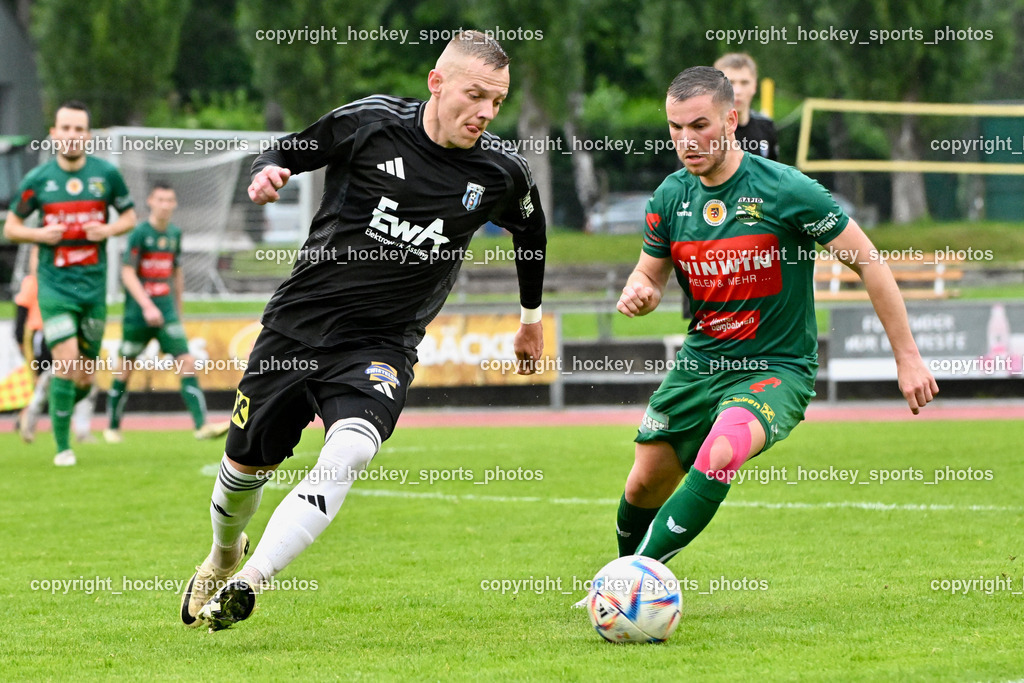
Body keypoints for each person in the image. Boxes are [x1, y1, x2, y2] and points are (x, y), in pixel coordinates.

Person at [181, 30, 546, 632]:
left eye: (497, 102)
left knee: (349, 448)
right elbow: (286, 151)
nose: (484, 112)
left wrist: (530, 321)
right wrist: (269, 171)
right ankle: (224, 557)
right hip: (297, 328)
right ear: (437, 83)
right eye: (475, 95)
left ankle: (253, 580)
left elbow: (530, 233)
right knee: (243, 468)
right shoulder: (371, 123)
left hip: (382, 345)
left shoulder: (501, 172)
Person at [603, 66, 936, 574]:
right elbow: (649, 275)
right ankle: (622, 579)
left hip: (775, 366)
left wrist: (907, 357)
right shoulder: (670, 197)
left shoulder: (786, 190)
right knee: (644, 483)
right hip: (701, 363)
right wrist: (641, 291)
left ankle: (636, 577)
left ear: (731, 120)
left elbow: (869, 262)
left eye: (699, 126)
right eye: (675, 128)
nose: (686, 141)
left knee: (721, 453)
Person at [4, 101, 136, 466]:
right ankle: (63, 448)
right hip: (55, 287)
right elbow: (11, 227)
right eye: (66, 128)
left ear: (87, 136)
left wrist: (108, 229)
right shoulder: (39, 180)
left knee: (83, 377)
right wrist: (40, 234)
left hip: (92, 289)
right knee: (65, 362)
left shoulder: (106, 176)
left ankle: (38, 409)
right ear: (54, 134)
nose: (73, 136)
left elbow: (129, 216)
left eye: (79, 130)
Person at [104, 182, 230, 443]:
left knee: (186, 360)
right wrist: (147, 305)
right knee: (125, 368)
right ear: (150, 201)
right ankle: (113, 427)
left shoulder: (174, 233)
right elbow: (127, 271)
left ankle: (201, 426)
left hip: (166, 313)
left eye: (169, 200)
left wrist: (177, 311)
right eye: (160, 199)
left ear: (174, 204)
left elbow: (176, 272)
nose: (165, 204)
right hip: (137, 315)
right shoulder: (139, 233)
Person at [14, 247, 100, 445]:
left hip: (72, 335)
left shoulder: (67, 281)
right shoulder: (32, 283)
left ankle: (81, 429)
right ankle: (30, 420)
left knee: (85, 378)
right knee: (48, 381)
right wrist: (20, 340)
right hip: (44, 335)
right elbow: (21, 314)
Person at [713, 53, 778, 162]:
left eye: (744, 83)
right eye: (730, 83)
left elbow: (773, 175)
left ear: (754, 86)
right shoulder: (704, 129)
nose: (737, 91)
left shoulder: (766, 126)